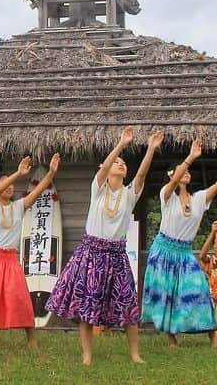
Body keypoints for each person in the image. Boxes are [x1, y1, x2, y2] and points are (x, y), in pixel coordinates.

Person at [47, 126, 161, 366]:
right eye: (115, 163)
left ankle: (135, 354)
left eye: (123, 163)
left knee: (128, 305)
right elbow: (104, 170)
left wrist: (150, 148)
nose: (120, 165)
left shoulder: (129, 195)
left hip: (117, 255)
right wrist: (121, 144)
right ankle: (87, 355)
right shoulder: (97, 190)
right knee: (87, 307)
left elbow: (141, 176)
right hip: (91, 253)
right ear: (106, 170)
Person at [142, 138, 217, 347]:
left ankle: (212, 336)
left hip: (185, 252)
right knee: (168, 295)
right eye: (179, 171)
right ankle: (172, 338)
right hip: (164, 250)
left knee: (199, 290)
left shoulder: (199, 199)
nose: (185, 172)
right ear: (171, 176)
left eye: (187, 170)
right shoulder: (166, 195)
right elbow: (174, 181)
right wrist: (191, 157)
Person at [0, 153, 61, 347]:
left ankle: (31, 339)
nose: (10, 187)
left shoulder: (18, 206)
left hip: (9, 258)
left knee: (20, 296)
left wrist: (50, 174)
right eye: (6, 183)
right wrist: (18, 173)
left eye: (12, 184)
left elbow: (37, 191)